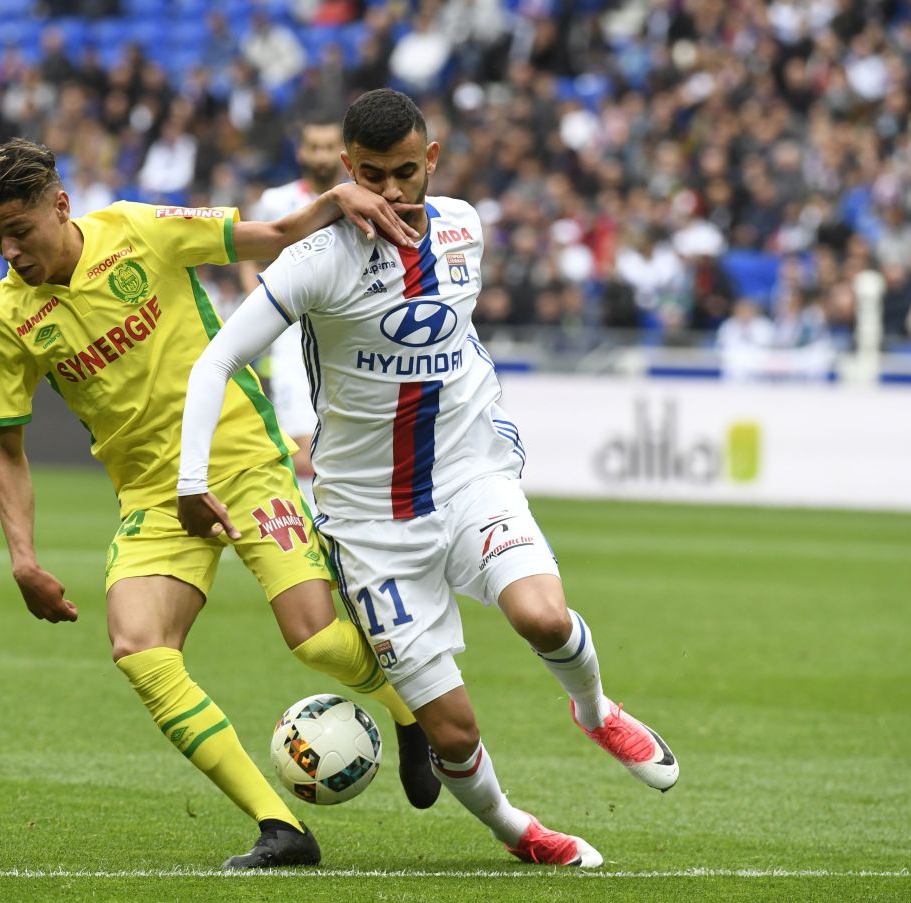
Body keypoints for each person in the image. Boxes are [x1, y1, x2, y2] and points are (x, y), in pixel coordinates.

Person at [177, 90, 680, 868]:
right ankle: (518, 828)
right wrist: (188, 476)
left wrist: (495, 417)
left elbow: (459, 332)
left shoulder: (463, 227)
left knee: (545, 617)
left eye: (406, 173)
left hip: (469, 474)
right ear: (346, 168)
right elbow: (215, 361)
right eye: (372, 174)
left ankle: (595, 708)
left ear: (431, 162)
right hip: (371, 521)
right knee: (453, 731)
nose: (390, 192)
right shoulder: (312, 262)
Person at [0, 138, 439, 871]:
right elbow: (8, 450)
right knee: (138, 649)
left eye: (20, 230)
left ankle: (411, 716)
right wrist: (22, 558)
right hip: (153, 496)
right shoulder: (5, 320)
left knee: (311, 637)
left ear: (61, 204)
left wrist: (335, 200)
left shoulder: (137, 230)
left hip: (242, 459)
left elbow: (269, 236)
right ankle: (282, 827)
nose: (11, 251)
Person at [239, 114, 347, 512]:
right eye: (313, 146)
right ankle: (316, 529)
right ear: (301, 151)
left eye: (327, 147)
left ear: (343, 152)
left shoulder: (355, 198)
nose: (320, 155)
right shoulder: (276, 201)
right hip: (290, 336)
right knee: (302, 442)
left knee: (337, 439)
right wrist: (263, 299)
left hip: (342, 332)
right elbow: (250, 257)